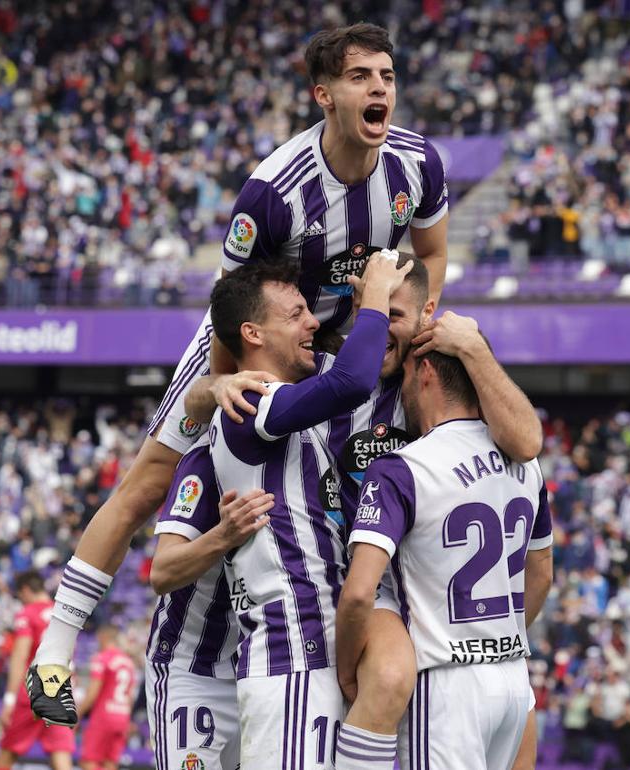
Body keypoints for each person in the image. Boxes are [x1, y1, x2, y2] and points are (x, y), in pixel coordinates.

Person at [28, 21, 452, 724]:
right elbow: (235, 315)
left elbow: (432, 252)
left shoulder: (416, 165)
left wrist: (421, 314)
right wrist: (222, 388)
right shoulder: (273, 193)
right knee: (148, 485)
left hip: (344, 331)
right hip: (256, 331)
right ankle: (54, 648)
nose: (380, 87)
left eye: (387, 75)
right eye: (360, 77)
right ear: (323, 95)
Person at [207, 251, 410, 767]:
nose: (312, 322)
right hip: (289, 660)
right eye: (295, 313)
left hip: (316, 656)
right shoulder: (252, 400)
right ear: (253, 334)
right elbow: (351, 382)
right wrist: (378, 296)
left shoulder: (286, 406)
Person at [335, 343, 554, 770]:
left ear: (427, 372)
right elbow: (542, 575)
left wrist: (347, 669)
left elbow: (360, 593)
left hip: (447, 686)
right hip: (512, 680)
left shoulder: (402, 467)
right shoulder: (528, 465)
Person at [144, 441, 274, 770]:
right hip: (191, 668)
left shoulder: (310, 455)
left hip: (262, 671)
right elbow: (162, 572)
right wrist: (224, 535)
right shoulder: (206, 462)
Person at [0, 571, 74, 770]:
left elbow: (20, 656)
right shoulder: (63, 613)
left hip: (33, 688)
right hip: (58, 688)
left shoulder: (27, 613)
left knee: (8, 753)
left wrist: (9, 699)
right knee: (61, 756)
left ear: (25, 590)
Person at [78, 626, 139, 770]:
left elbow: (93, 693)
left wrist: (78, 714)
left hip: (103, 716)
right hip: (122, 717)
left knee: (88, 761)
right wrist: (127, 719)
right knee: (110, 763)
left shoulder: (102, 658)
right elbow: (130, 697)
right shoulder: (128, 663)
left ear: (103, 638)